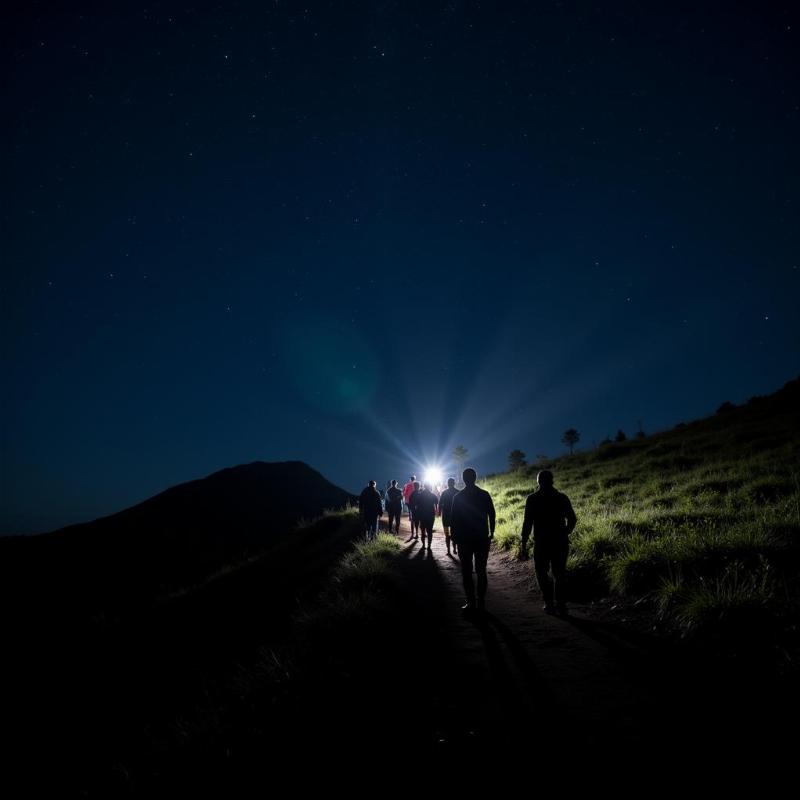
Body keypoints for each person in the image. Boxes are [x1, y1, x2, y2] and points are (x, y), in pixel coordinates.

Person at [520, 469, 577, 615]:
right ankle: (561, 605)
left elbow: (527, 523)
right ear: (552, 480)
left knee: (541, 572)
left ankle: (549, 603)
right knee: (559, 573)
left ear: (538, 481)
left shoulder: (532, 499)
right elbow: (572, 519)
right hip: (560, 542)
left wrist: (524, 544)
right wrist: (565, 532)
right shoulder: (561, 497)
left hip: (541, 542)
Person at [450, 467, 495, 613]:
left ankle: (471, 602)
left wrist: (454, 539)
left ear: (463, 479)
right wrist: (491, 533)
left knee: (466, 571)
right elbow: (492, 515)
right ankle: (481, 601)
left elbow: (454, 520)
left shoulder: (458, 497)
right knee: (481, 570)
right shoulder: (484, 494)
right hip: (482, 537)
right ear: (475, 478)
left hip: (464, 539)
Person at [438, 476, 460, 556]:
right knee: (454, 533)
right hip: (456, 517)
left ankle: (448, 551)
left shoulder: (444, 493)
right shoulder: (458, 492)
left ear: (447, 484)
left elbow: (440, 504)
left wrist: (439, 513)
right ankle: (454, 549)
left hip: (446, 517)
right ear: (454, 483)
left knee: (447, 534)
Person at [413, 482, 439, 551]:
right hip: (430, 515)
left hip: (422, 515)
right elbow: (436, 504)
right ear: (430, 487)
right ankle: (429, 546)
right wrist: (436, 511)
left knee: (423, 531)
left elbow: (416, 505)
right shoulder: (432, 495)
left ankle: (423, 545)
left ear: (424, 486)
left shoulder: (420, 495)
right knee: (429, 531)